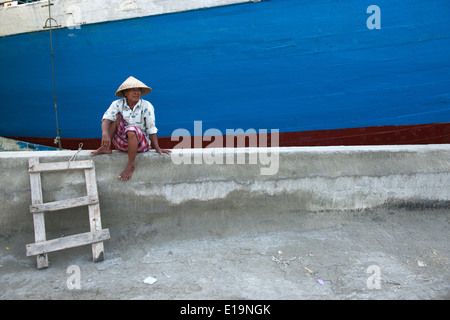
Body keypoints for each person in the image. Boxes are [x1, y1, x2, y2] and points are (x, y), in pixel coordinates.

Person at [90, 76, 171, 180]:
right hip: (123, 143)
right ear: (125, 93)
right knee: (115, 117)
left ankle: (131, 164)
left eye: (138, 90)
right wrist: (104, 134)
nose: (136, 92)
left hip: (141, 145)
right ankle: (106, 147)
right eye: (133, 90)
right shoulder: (117, 104)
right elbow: (106, 119)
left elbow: (151, 128)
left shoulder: (147, 106)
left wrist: (157, 148)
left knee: (131, 129)